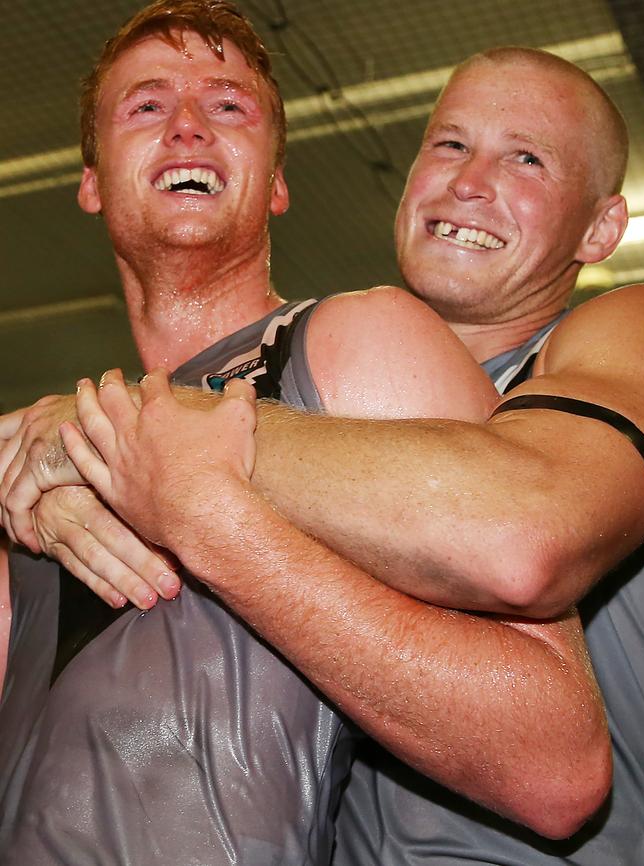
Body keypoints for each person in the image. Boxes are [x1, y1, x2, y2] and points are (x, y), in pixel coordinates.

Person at [0, 4, 610, 863]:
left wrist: (201, 513)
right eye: (146, 107)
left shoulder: (358, 342)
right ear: (94, 178)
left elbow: (555, 759)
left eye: (228, 107)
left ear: (278, 182)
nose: (186, 128)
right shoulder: (49, 455)